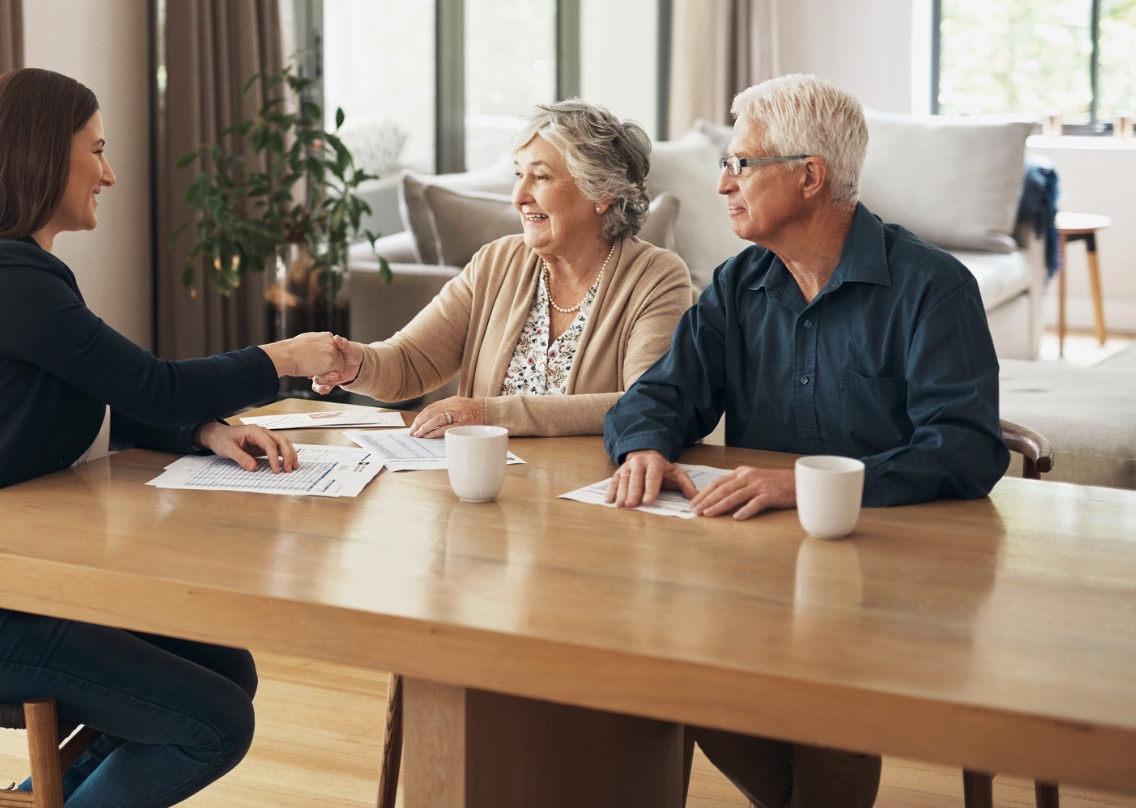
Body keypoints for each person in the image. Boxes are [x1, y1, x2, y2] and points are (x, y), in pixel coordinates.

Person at [0, 68, 346, 808]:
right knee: (209, 721)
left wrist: (205, 429)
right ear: (40, 155)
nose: (110, 174)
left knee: (226, 673)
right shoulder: (6, 276)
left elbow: (111, 399)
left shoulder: (8, 269)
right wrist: (283, 359)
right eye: (97, 150)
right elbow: (153, 382)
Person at [603, 74, 1009, 808]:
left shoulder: (933, 288)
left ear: (810, 177)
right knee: (661, 660)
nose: (723, 184)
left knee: (832, 687)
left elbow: (966, 448)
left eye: (741, 164)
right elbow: (660, 395)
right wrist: (645, 446)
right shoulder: (737, 285)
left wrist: (807, 485)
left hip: (896, 577)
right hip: (762, 571)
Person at [314, 100, 695, 435]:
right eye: (518, 174)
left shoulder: (657, 277)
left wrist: (489, 413)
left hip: (588, 488)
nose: (518, 197)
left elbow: (645, 404)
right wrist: (355, 363)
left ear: (602, 193)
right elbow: (412, 361)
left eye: (541, 176)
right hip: (488, 484)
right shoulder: (496, 262)